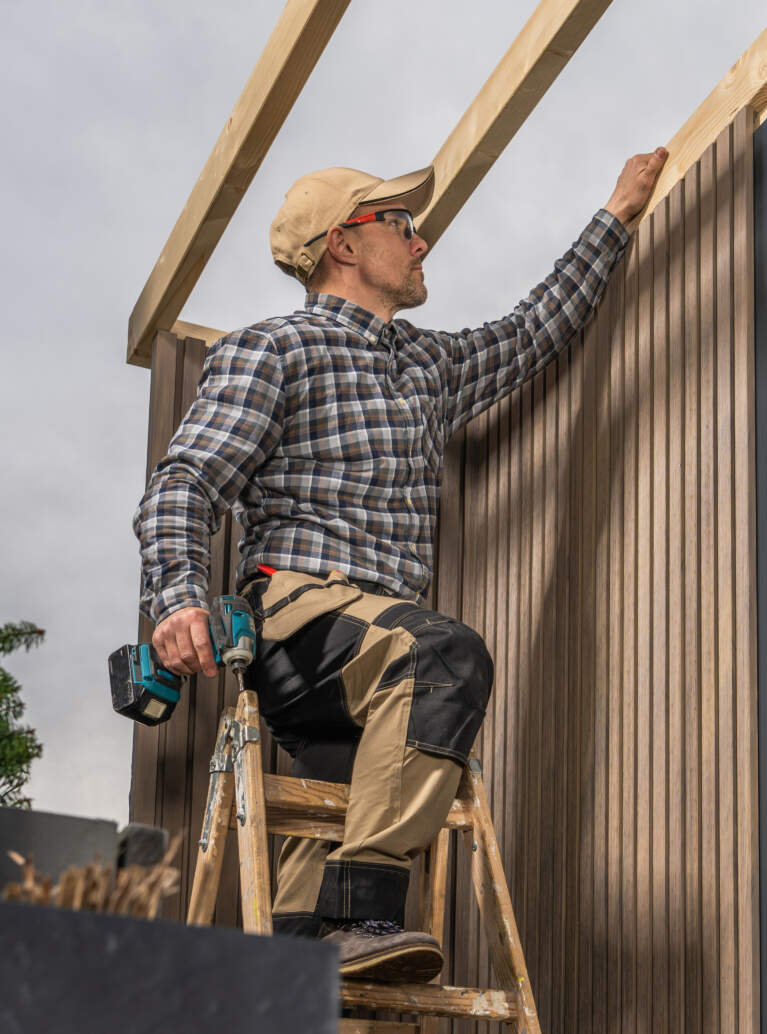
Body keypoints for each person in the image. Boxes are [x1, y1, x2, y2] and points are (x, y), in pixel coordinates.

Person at [133, 148, 667, 982]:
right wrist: (176, 600)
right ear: (344, 245)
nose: (422, 243)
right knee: (443, 655)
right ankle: (361, 911)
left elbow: (535, 330)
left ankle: (306, 952)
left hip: (376, 659)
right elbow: (186, 480)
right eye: (402, 226)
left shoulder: (427, 366)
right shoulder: (275, 349)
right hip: (299, 618)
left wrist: (618, 215)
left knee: (317, 928)